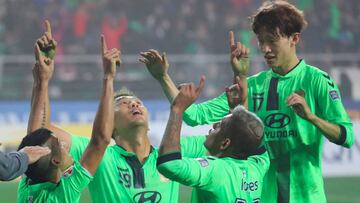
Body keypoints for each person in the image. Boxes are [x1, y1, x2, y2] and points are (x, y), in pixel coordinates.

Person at [141, 1, 355, 202]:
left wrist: (312, 118)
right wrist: (163, 77)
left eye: (272, 40)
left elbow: (347, 136)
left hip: (306, 196)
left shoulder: (317, 81)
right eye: (261, 41)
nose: (265, 49)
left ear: (294, 39)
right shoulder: (252, 85)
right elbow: (193, 115)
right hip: (262, 196)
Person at [25, 21, 208, 203]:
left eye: (137, 102)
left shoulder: (170, 153)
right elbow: (39, 136)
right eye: (123, 103)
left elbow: (228, 138)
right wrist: (43, 79)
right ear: (110, 124)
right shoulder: (100, 154)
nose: (134, 105)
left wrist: (237, 78)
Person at [17, 20, 117, 202]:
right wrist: (108, 78)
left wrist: (43, 80)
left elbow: (36, 134)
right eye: (61, 146)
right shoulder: (63, 194)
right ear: (55, 161)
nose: (65, 145)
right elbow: (100, 141)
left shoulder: (29, 185)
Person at [156, 79, 269, 203]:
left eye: (220, 125)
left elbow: (169, 165)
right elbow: (254, 137)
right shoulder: (257, 167)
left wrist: (177, 110)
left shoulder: (215, 170)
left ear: (225, 143)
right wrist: (235, 112)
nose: (214, 125)